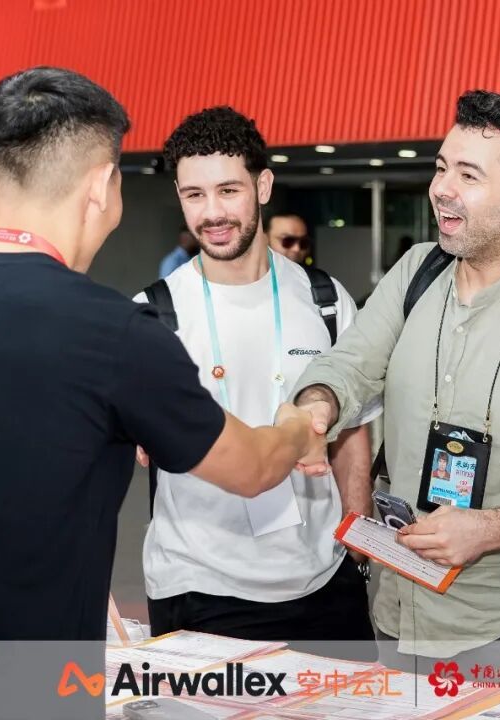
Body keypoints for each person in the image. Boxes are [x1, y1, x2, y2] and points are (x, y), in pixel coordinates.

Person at [0, 67, 327, 643]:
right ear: (103, 187)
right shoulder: (118, 335)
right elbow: (251, 469)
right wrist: (297, 425)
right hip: (29, 679)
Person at [293, 90, 500, 664]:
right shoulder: (416, 273)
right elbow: (349, 364)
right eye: (441, 167)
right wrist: (317, 407)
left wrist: (493, 528)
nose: (442, 188)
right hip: (398, 612)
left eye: (468, 175)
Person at [135, 107, 377, 649]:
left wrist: (356, 533)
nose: (212, 213)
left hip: (324, 580)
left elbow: (353, 426)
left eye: (228, 190)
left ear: (262, 186)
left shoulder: (326, 300)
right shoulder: (152, 315)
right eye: (194, 195)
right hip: (200, 584)